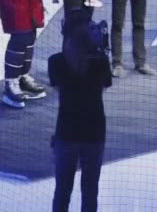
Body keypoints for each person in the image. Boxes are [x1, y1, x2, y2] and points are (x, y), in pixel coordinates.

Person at [48, 17, 114, 212]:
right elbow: (103, 89)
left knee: (62, 190)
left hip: (66, 131)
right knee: (90, 190)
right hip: (94, 132)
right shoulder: (101, 63)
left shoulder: (56, 62)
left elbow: (58, 90)